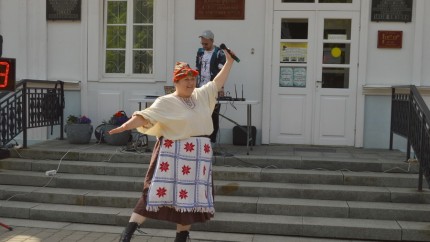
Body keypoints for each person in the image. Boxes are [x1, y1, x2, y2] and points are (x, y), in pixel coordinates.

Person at [108, 49, 235, 242]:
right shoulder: (166, 102)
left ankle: (181, 239)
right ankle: (127, 234)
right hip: (173, 154)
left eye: (193, 79)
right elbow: (144, 116)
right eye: (186, 80)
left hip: (198, 156)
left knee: (189, 199)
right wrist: (125, 126)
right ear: (176, 82)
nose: (191, 83)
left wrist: (229, 62)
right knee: (153, 192)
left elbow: (217, 82)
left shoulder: (201, 95)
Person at [196, 30, 226, 146]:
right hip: (200, 88)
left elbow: (222, 72)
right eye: (202, 44)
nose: (204, 46)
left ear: (212, 41)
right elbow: (197, 68)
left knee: (213, 115)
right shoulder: (200, 52)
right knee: (200, 114)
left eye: (206, 44)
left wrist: (221, 88)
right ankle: (201, 139)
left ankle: (212, 141)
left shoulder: (219, 53)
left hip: (213, 88)